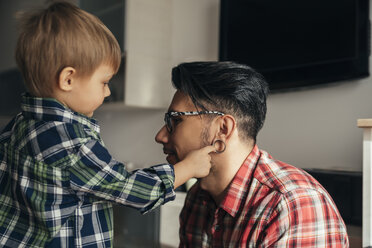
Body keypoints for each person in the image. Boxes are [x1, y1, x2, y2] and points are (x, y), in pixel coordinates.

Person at [0, 2, 214, 247]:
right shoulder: (73, 143)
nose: (108, 91)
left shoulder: (18, 127)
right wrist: (187, 169)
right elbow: (128, 188)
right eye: (104, 82)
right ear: (68, 79)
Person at [155, 61, 349, 247]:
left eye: (176, 120)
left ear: (223, 129)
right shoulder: (197, 198)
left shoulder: (292, 205)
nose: (160, 136)